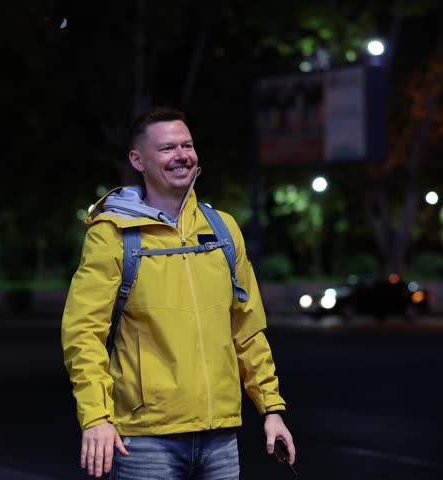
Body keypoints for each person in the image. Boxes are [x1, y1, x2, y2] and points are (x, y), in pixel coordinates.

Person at [61, 106, 295, 479]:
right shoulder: (112, 233)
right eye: (168, 148)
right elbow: (83, 334)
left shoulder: (222, 229)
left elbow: (247, 329)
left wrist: (271, 410)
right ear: (138, 160)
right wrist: (96, 417)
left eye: (187, 145)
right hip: (145, 442)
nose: (182, 155)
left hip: (220, 438)